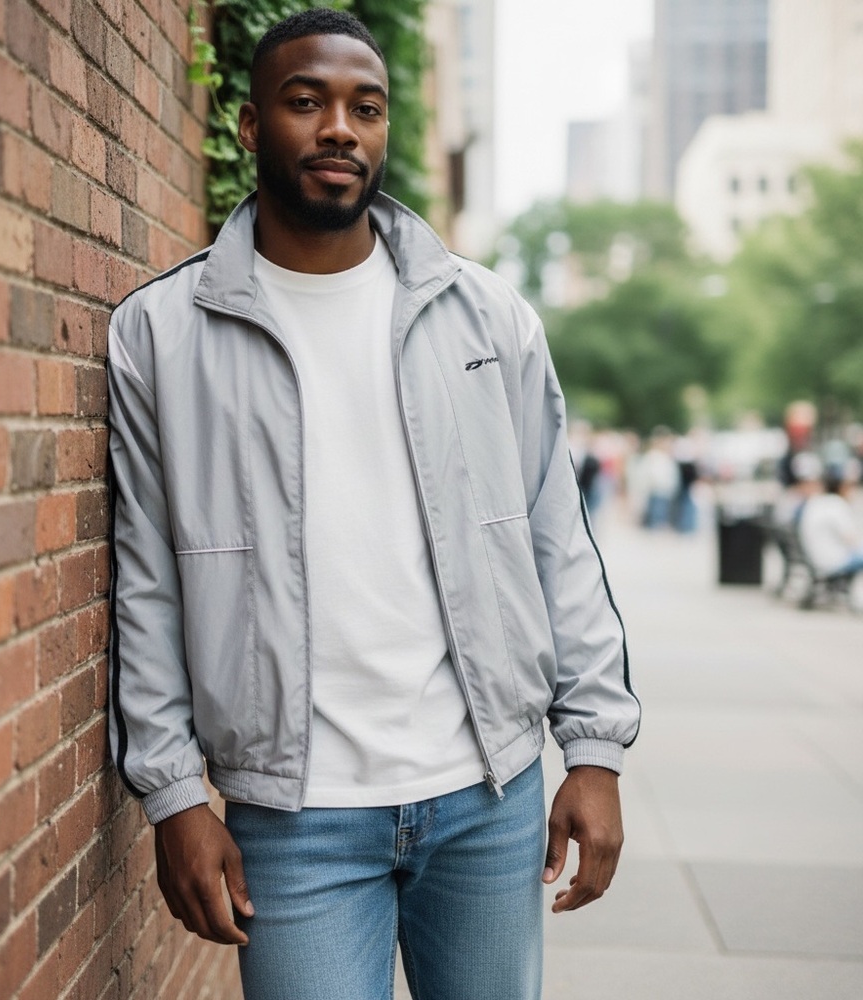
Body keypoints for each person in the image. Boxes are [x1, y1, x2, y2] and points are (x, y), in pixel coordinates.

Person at [106, 9, 641, 999]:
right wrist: (175, 793)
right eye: (305, 102)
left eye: (365, 107)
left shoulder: (487, 316)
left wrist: (594, 750)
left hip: (487, 797)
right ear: (250, 127)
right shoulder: (160, 334)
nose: (340, 128)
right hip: (293, 818)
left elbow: (554, 538)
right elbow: (145, 581)